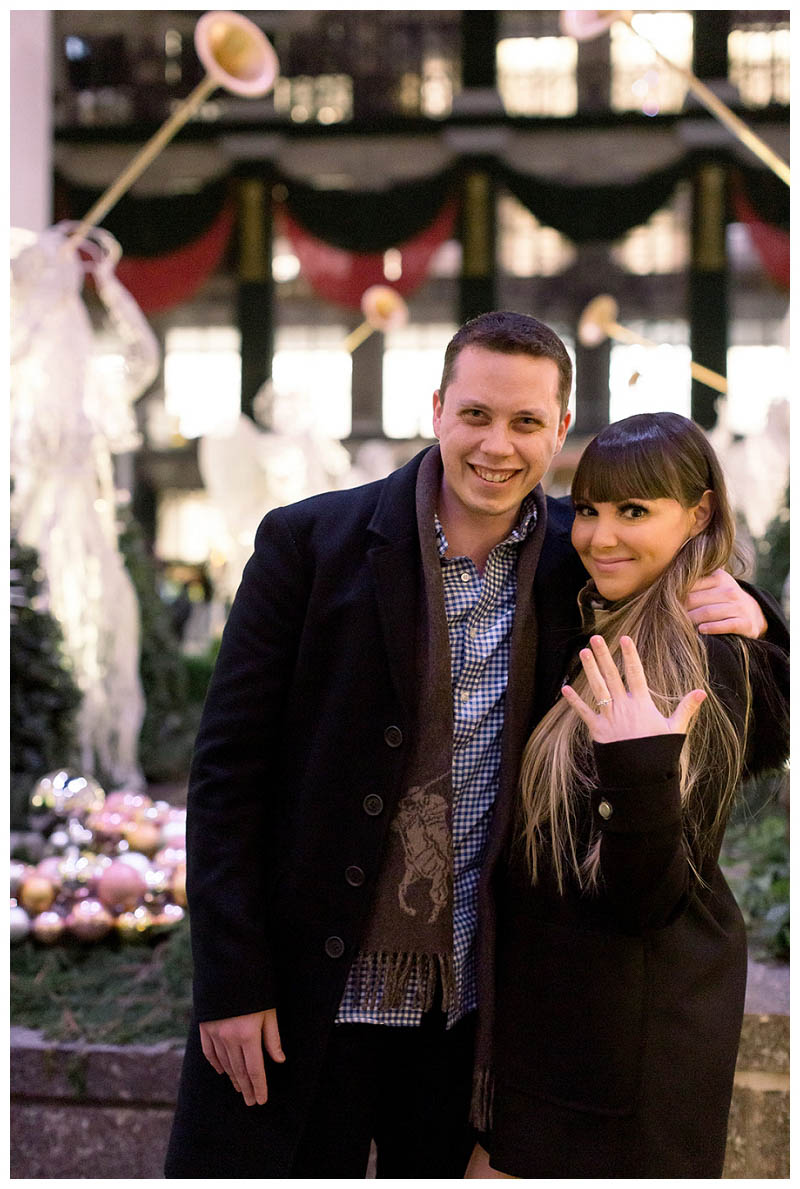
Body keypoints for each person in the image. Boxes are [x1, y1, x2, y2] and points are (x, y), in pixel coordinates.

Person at [164, 314, 784, 1179]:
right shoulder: (310, 544)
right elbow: (228, 775)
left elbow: (702, 611)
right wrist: (232, 980)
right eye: (477, 415)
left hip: (469, 1020)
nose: (499, 445)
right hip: (310, 1001)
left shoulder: (586, 556)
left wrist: (759, 617)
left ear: (560, 429)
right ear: (437, 411)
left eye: (527, 422)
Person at [466, 412, 789, 1180]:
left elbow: (648, 895)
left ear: (700, 513)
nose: (601, 536)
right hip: (556, 1032)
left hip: (628, 1052)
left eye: (634, 511)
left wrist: (638, 763)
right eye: (589, 509)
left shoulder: (707, 663)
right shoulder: (593, 615)